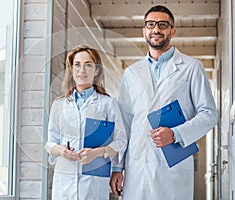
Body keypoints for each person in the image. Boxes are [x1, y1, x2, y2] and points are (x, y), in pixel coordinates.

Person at [110, 5, 218, 200]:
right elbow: (123, 124)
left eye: (162, 24)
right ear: (144, 31)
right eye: (150, 25)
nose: (156, 29)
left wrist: (176, 134)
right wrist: (117, 167)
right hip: (137, 166)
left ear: (172, 31)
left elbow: (209, 114)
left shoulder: (191, 68)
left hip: (172, 167)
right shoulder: (132, 73)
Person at [45, 44, 127, 200]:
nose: (81, 70)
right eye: (77, 65)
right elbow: (50, 143)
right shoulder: (59, 104)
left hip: (94, 179)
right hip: (64, 178)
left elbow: (121, 141)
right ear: (71, 70)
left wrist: (96, 153)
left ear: (96, 70)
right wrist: (61, 150)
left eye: (88, 64)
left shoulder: (108, 104)